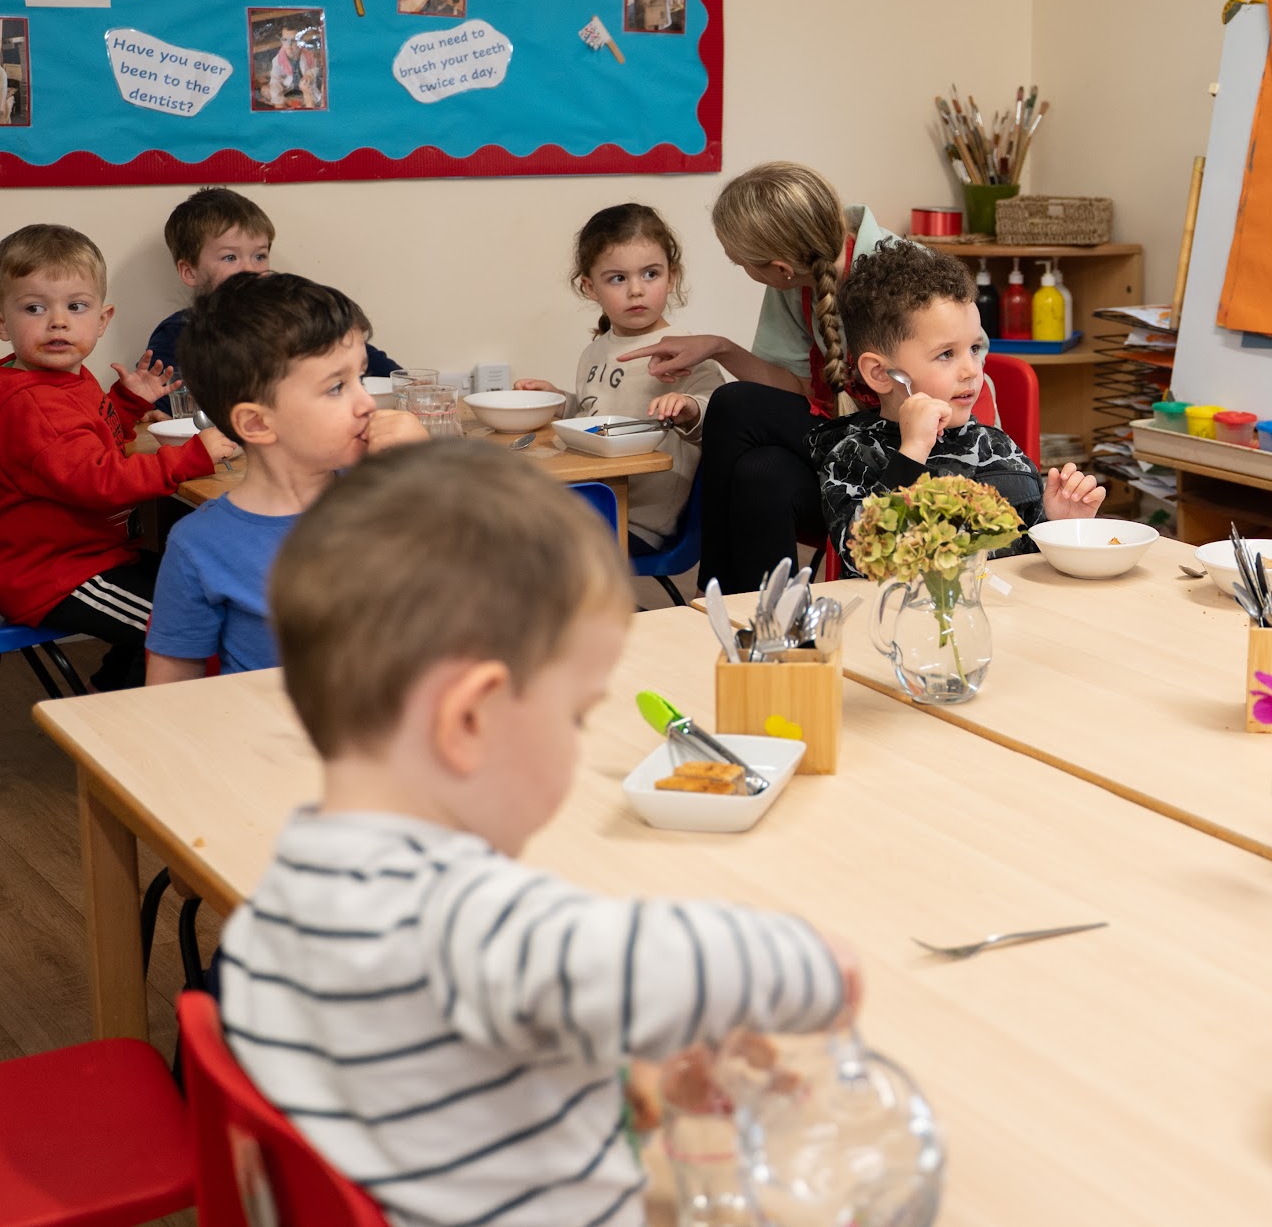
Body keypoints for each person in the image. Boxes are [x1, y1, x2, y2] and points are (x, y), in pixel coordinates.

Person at [215, 442, 859, 1225]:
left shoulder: (268, 915)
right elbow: (662, 958)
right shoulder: (475, 923)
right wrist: (824, 963)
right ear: (471, 719)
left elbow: (444, 1070)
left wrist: (623, 1072)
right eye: (576, 714)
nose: (581, 738)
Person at [0, 226, 233, 689]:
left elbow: (77, 440)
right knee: (185, 626)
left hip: (79, 557)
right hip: (55, 574)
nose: (58, 322)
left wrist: (126, 403)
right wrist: (192, 456)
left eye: (75, 307)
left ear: (101, 318)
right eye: (35, 308)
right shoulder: (30, 404)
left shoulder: (56, 382)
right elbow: (98, 482)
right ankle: (133, 731)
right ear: (1, 324)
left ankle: (115, 693)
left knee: (197, 588)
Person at [623, 163, 898, 591]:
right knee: (761, 472)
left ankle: (711, 593)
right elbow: (795, 390)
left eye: (742, 264)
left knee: (735, 403)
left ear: (781, 268)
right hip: (846, 440)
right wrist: (719, 347)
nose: (743, 271)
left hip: (907, 452)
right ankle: (770, 627)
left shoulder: (899, 273)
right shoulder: (800, 275)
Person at [144, 274, 427, 683]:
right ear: (257, 423)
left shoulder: (389, 496)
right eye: (336, 387)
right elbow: (169, 697)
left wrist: (426, 472)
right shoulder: (200, 547)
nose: (366, 402)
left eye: (359, 378)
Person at [813, 240, 1102, 568]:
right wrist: (912, 454)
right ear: (880, 373)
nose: (971, 370)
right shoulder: (853, 457)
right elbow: (865, 557)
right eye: (946, 354)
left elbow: (1026, 560)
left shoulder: (996, 448)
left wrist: (1058, 524)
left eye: (975, 348)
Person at [515, 204, 728, 553]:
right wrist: (559, 401)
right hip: (589, 500)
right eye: (618, 278)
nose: (636, 290)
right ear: (590, 287)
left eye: (650, 274)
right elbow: (594, 412)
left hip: (639, 519)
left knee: (522, 542)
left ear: (671, 277)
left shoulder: (685, 349)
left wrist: (688, 407)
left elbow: (719, 415)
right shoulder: (595, 351)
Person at [146, 187, 400, 414]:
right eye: (230, 258)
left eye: (259, 256)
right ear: (189, 272)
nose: (250, 269)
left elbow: (384, 372)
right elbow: (156, 407)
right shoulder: (177, 334)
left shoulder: (290, 322)